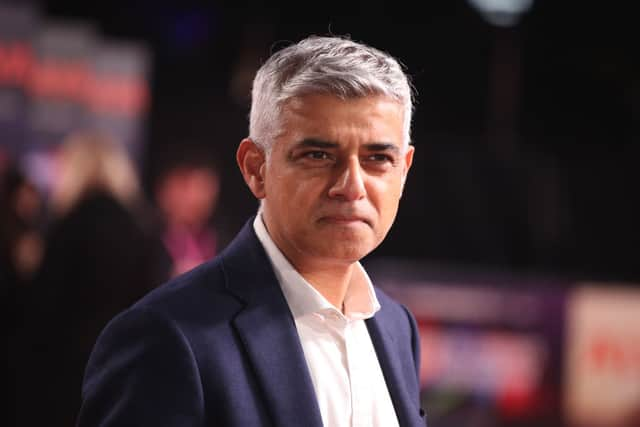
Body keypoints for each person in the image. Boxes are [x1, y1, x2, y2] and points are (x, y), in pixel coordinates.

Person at [78, 35, 426, 427]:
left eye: (378, 158)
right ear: (255, 168)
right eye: (318, 155)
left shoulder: (398, 329)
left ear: (404, 170)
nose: (351, 185)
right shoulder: (165, 337)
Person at [15, 131, 172, 427]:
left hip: (65, 371)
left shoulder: (67, 227)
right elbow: (158, 299)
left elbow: (43, 306)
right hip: (126, 368)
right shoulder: (143, 228)